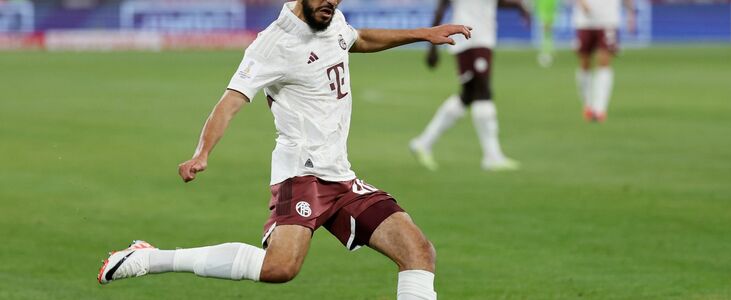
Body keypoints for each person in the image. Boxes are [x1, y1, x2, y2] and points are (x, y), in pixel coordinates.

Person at [97, 1, 472, 299]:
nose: (332, 3)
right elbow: (229, 102)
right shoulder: (272, 44)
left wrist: (424, 34)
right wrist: (202, 153)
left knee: (418, 253)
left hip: (340, 175)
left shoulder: (332, 20)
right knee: (280, 269)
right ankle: (148, 258)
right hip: (302, 174)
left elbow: (356, 40)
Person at [410, 0, 529, 172]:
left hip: (483, 37)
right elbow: (442, 5)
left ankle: (423, 143)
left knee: (468, 95)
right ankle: (492, 156)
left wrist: (517, 6)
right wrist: (432, 47)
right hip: (470, 38)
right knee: (483, 91)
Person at [574, 0, 635, 122]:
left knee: (604, 61)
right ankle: (588, 104)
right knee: (584, 62)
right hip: (585, 21)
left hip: (608, 20)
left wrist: (630, 13)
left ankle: (600, 108)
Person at [534, 0, 560, 67]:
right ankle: (547, 52)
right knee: (546, 34)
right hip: (544, 14)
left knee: (547, 34)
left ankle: (547, 52)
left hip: (549, 14)